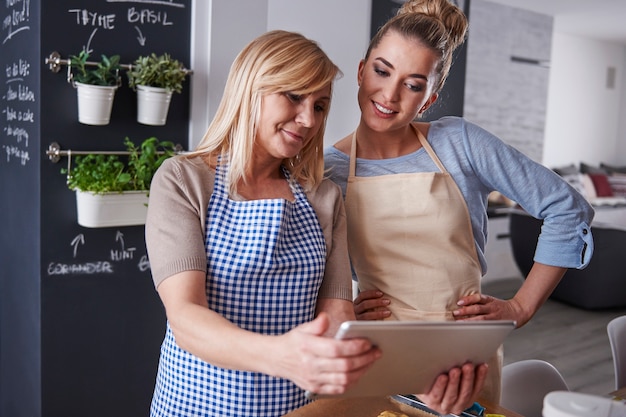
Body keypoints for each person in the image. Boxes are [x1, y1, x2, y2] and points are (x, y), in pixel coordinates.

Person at [145, 30, 485, 417]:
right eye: (293, 96)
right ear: (251, 87)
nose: (308, 120)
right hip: (195, 403)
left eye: (320, 106)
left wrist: (421, 380)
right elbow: (186, 317)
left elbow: (337, 320)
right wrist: (280, 356)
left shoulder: (324, 198)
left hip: (297, 409)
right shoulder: (183, 180)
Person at [324, 0, 595, 405]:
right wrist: (344, 308)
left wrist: (521, 307)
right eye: (382, 71)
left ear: (429, 98)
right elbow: (310, 271)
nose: (390, 94)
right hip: (376, 354)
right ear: (362, 72)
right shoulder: (328, 171)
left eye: (414, 84)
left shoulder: (460, 143)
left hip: (463, 361)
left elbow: (567, 208)